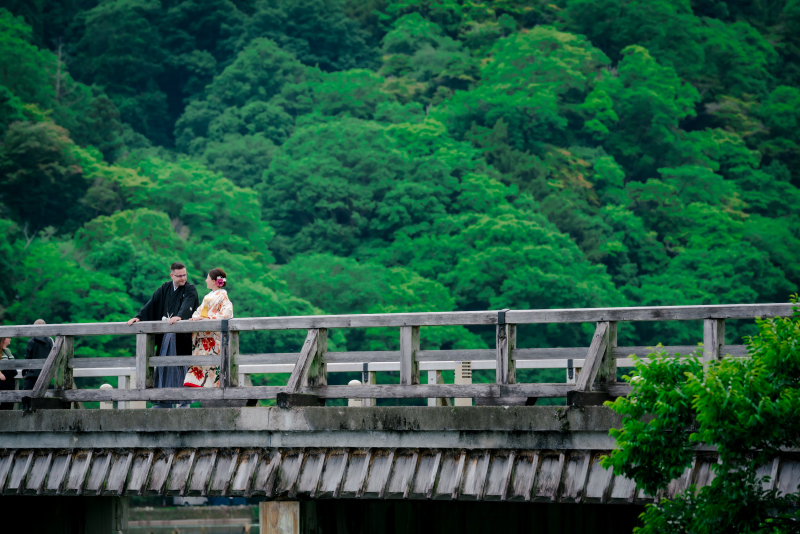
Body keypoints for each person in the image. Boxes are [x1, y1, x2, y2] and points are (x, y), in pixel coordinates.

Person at [127, 262, 199, 408]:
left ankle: (184, 403)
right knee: (163, 366)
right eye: (179, 276)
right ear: (172, 275)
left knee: (182, 367)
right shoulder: (165, 288)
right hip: (166, 335)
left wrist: (180, 316)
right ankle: (164, 401)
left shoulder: (190, 289)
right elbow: (152, 304)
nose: (183, 278)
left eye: (184, 275)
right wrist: (139, 317)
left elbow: (188, 305)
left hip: (181, 337)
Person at [184, 268, 233, 388]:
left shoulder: (222, 296)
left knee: (213, 363)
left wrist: (206, 319)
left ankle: (212, 386)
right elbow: (199, 312)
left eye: (207, 278)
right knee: (201, 362)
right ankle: (198, 383)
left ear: (214, 281)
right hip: (204, 337)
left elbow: (227, 314)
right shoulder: (208, 296)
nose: (206, 280)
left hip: (213, 336)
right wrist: (195, 318)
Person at [22, 319, 53, 391]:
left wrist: (24, 371)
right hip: (46, 374)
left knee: (26, 396)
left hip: (32, 374)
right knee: (44, 397)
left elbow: (28, 357)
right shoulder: (49, 341)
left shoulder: (31, 341)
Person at [0, 337, 17, 410]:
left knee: (10, 402)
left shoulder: (8, 350)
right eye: (8, 337)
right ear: (3, 339)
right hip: (2, 379)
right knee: (3, 402)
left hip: (10, 379)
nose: (10, 339)